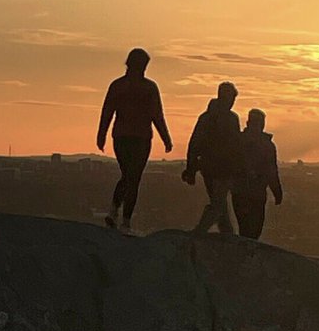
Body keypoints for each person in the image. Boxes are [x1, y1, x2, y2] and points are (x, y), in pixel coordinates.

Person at [96, 48, 172, 234]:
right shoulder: (147, 88)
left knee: (129, 175)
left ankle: (116, 213)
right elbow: (157, 115)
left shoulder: (119, 85)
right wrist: (165, 138)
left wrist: (102, 134)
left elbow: (108, 111)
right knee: (132, 177)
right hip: (138, 137)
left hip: (124, 136)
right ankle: (124, 220)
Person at [182, 81, 244, 234]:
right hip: (221, 169)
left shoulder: (207, 117)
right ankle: (199, 232)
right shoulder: (228, 119)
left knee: (220, 204)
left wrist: (191, 168)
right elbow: (236, 147)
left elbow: (194, 144)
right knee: (218, 205)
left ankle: (228, 234)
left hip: (210, 168)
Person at [233, 108, 283, 240]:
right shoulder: (267, 145)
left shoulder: (238, 141)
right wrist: (277, 192)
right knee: (253, 231)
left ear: (248, 123)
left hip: (240, 191)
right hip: (255, 193)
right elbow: (271, 171)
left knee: (244, 228)